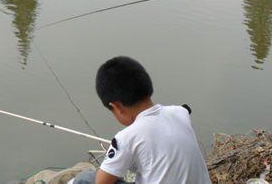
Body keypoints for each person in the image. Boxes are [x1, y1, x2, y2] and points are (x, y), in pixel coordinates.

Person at [73, 56, 211, 184]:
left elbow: (101, 182)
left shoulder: (126, 138)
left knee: (86, 178)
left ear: (116, 107)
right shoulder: (180, 113)